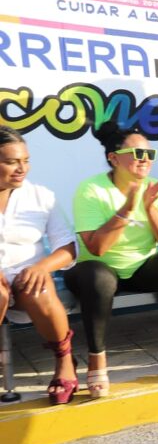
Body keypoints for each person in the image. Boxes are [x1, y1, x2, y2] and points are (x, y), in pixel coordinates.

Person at [65, 123, 158, 398]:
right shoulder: (91, 189)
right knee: (98, 278)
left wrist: (150, 209)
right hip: (97, 267)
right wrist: (127, 208)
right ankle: (97, 360)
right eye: (138, 152)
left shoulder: (155, 188)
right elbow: (98, 247)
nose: (145, 159)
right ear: (113, 158)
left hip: (140, 265)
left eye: (150, 154)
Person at [0, 126, 78, 405]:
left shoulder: (41, 196)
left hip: (26, 284)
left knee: (39, 287)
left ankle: (65, 362)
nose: (21, 168)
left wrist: (41, 267)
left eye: (25, 160)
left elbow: (67, 248)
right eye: (11, 162)